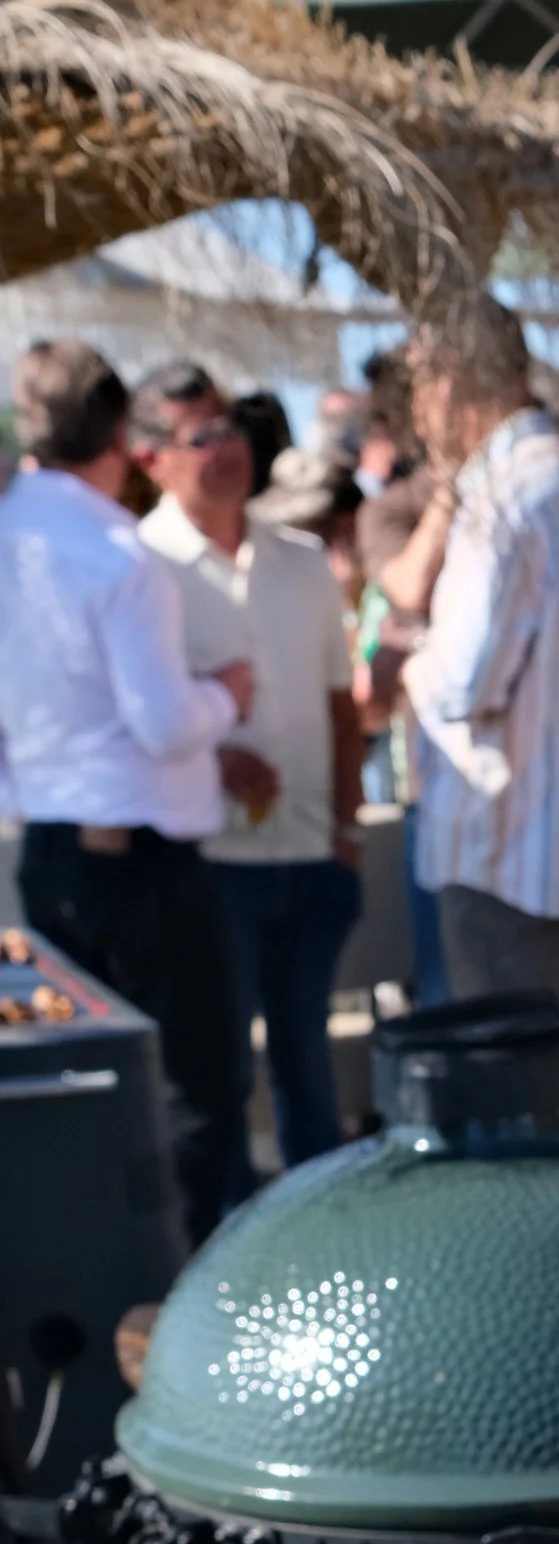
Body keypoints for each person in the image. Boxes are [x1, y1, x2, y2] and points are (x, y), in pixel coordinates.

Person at [0, 339, 255, 1246]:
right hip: (138, 864)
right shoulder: (117, 551)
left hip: (51, 852)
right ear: (118, 429)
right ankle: (161, 1301)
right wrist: (229, 692)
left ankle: (102, 1286)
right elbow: (164, 724)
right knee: (199, 1090)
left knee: (77, 1100)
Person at [400, 292, 559, 1137]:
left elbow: (466, 681)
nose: (414, 409)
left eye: (419, 385)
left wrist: (413, 657)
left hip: (507, 841)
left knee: (526, 1091)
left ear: (456, 385)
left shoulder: (506, 500)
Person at [129, 363, 362, 1198]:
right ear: (150, 456)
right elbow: (130, 723)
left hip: (310, 858)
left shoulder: (301, 561)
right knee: (217, 1077)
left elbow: (343, 708)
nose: (228, 448)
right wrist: (213, 755)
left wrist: (346, 832)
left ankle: (323, 1241)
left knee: (309, 1066)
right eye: (203, 434)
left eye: (230, 426)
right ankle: (235, 1265)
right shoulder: (138, 566)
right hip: (205, 867)